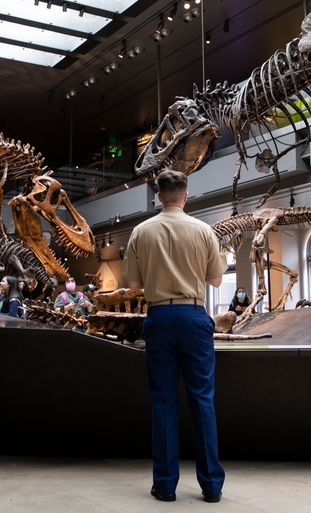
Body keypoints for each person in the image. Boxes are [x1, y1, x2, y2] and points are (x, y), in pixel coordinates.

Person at [123, 169, 228, 503]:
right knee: (202, 400)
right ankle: (211, 485)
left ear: (158, 196)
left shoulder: (141, 231)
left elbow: (135, 285)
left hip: (159, 316)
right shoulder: (203, 230)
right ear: (186, 196)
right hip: (195, 315)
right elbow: (215, 281)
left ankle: (165, 484)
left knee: (164, 401)